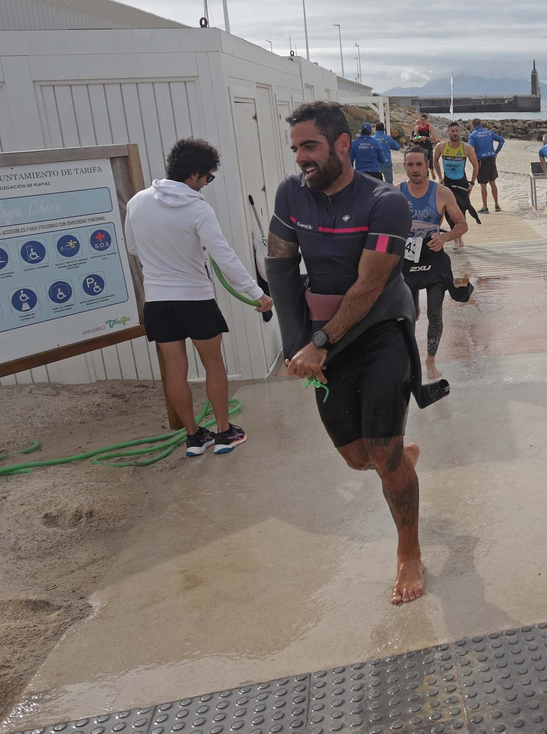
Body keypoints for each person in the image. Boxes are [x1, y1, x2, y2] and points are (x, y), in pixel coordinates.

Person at [265, 102, 431, 605]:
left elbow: (367, 287)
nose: (300, 158)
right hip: (322, 335)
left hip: (381, 329)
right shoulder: (291, 195)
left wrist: (318, 345)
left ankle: (409, 549)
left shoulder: (386, 202)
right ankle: (398, 458)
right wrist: (297, 344)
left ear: (343, 144)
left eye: (309, 146)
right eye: (295, 148)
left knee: (380, 448)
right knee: (359, 459)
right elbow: (280, 269)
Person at [125, 138, 273, 456]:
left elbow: (133, 248)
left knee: (175, 370)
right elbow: (224, 257)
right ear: (194, 174)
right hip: (195, 298)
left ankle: (193, 437)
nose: (207, 183)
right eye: (208, 176)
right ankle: (223, 433)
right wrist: (257, 293)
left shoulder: (137, 202)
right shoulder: (197, 208)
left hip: (158, 301)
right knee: (213, 364)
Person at [397, 147, 474, 379]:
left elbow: (461, 224)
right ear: (405, 167)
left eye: (419, 164)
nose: (415, 169)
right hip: (408, 260)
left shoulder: (442, 193)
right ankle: (410, 359)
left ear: (428, 165)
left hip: (433, 257)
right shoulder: (395, 193)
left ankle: (430, 361)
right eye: (410, 165)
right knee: (407, 315)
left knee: (435, 313)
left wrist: (444, 237)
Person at [433, 122, 481, 247]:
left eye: (457, 131)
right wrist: (439, 177)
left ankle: (458, 236)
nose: (455, 133)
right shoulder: (441, 146)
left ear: (460, 132)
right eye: (452, 131)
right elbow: (435, 160)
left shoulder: (466, 148)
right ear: (448, 133)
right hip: (447, 182)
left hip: (461, 182)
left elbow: (476, 165)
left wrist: (471, 183)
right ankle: (456, 238)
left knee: (461, 209)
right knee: (448, 210)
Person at [467, 118, 506, 212]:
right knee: (493, 182)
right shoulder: (489, 132)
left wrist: (472, 157)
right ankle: (497, 205)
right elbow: (501, 141)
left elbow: (469, 147)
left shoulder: (472, 135)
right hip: (491, 158)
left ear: (473, 125)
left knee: (483, 184)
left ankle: (485, 207)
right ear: (481, 124)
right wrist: (496, 152)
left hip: (481, 160)